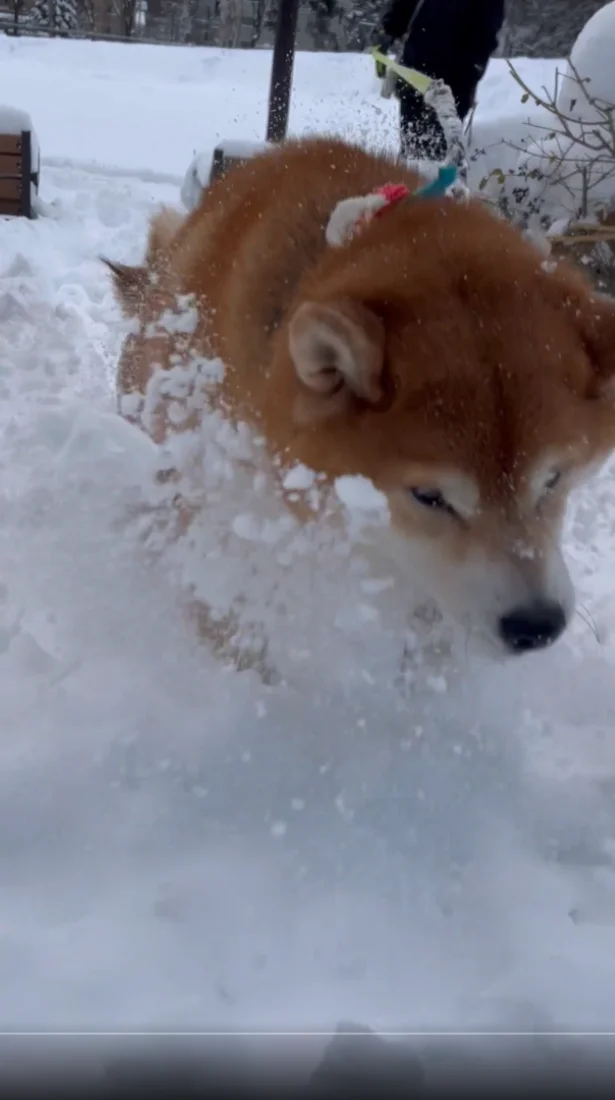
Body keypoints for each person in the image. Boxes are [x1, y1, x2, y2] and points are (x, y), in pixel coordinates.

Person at [374, 0, 506, 161]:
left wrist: (473, 70)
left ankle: (431, 170)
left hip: (455, 77)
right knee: (412, 149)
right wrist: (388, 30)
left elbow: (486, 30)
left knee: (440, 152)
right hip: (417, 67)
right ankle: (411, 169)